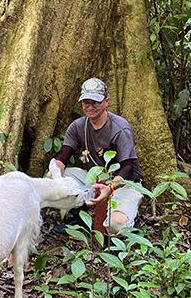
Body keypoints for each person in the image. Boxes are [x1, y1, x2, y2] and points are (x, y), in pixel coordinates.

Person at [52, 77, 143, 233]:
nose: (90, 107)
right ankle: (78, 217)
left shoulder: (120, 128)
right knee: (55, 177)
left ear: (106, 102)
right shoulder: (78, 127)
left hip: (122, 183)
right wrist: (56, 173)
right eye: (86, 102)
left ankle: (125, 213)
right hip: (94, 178)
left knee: (116, 225)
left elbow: (128, 166)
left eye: (96, 102)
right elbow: (63, 158)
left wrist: (110, 188)